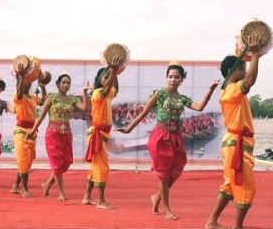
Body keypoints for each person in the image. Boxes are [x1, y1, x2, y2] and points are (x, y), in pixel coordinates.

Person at [115, 61, 220, 220]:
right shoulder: (159, 94)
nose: (173, 80)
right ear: (166, 78)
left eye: (176, 77)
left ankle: (157, 196)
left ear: (181, 79)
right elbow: (143, 113)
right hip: (160, 137)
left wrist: (210, 91)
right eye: (170, 77)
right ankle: (167, 209)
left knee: (175, 171)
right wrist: (129, 128)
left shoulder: (182, 98)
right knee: (163, 174)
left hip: (176, 137)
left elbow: (199, 108)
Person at [205, 35, 261, 229]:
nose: (244, 71)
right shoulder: (231, 90)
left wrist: (254, 55)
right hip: (236, 143)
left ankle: (212, 221)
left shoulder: (232, 91)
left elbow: (248, 81)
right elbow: (250, 81)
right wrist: (255, 54)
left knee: (229, 184)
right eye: (241, 68)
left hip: (235, 142)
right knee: (246, 186)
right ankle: (237, 227)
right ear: (231, 72)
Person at [26, 72, 90, 201]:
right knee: (56, 164)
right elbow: (42, 115)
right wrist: (33, 130)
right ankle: (61, 193)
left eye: (68, 83)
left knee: (65, 163)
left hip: (66, 134)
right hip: (53, 134)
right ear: (58, 84)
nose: (66, 85)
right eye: (63, 82)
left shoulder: (72, 100)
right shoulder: (52, 97)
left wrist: (84, 92)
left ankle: (47, 184)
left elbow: (85, 108)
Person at [82, 56, 123, 209]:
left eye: (109, 76)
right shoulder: (98, 93)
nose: (109, 79)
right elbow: (107, 88)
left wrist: (115, 71)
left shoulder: (108, 92)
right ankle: (100, 200)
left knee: (95, 167)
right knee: (102, 167)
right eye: (105, 77)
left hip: (102, 134)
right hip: (97, 134)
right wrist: (112, 70)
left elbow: (115, 89)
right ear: (100, 80)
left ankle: (87, 196)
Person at [10, 63, 47, 197]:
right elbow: (20, 91)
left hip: (31, 132)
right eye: (23, 82)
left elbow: (43, 102)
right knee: (24, 160)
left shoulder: (32, 97)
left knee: (27, 161)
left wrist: (43, 87)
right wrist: (21, 76)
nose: (26, 84)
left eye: (28, 82)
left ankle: (15, 186)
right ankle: (24, 188)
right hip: (21, 131)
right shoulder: (17, 96)